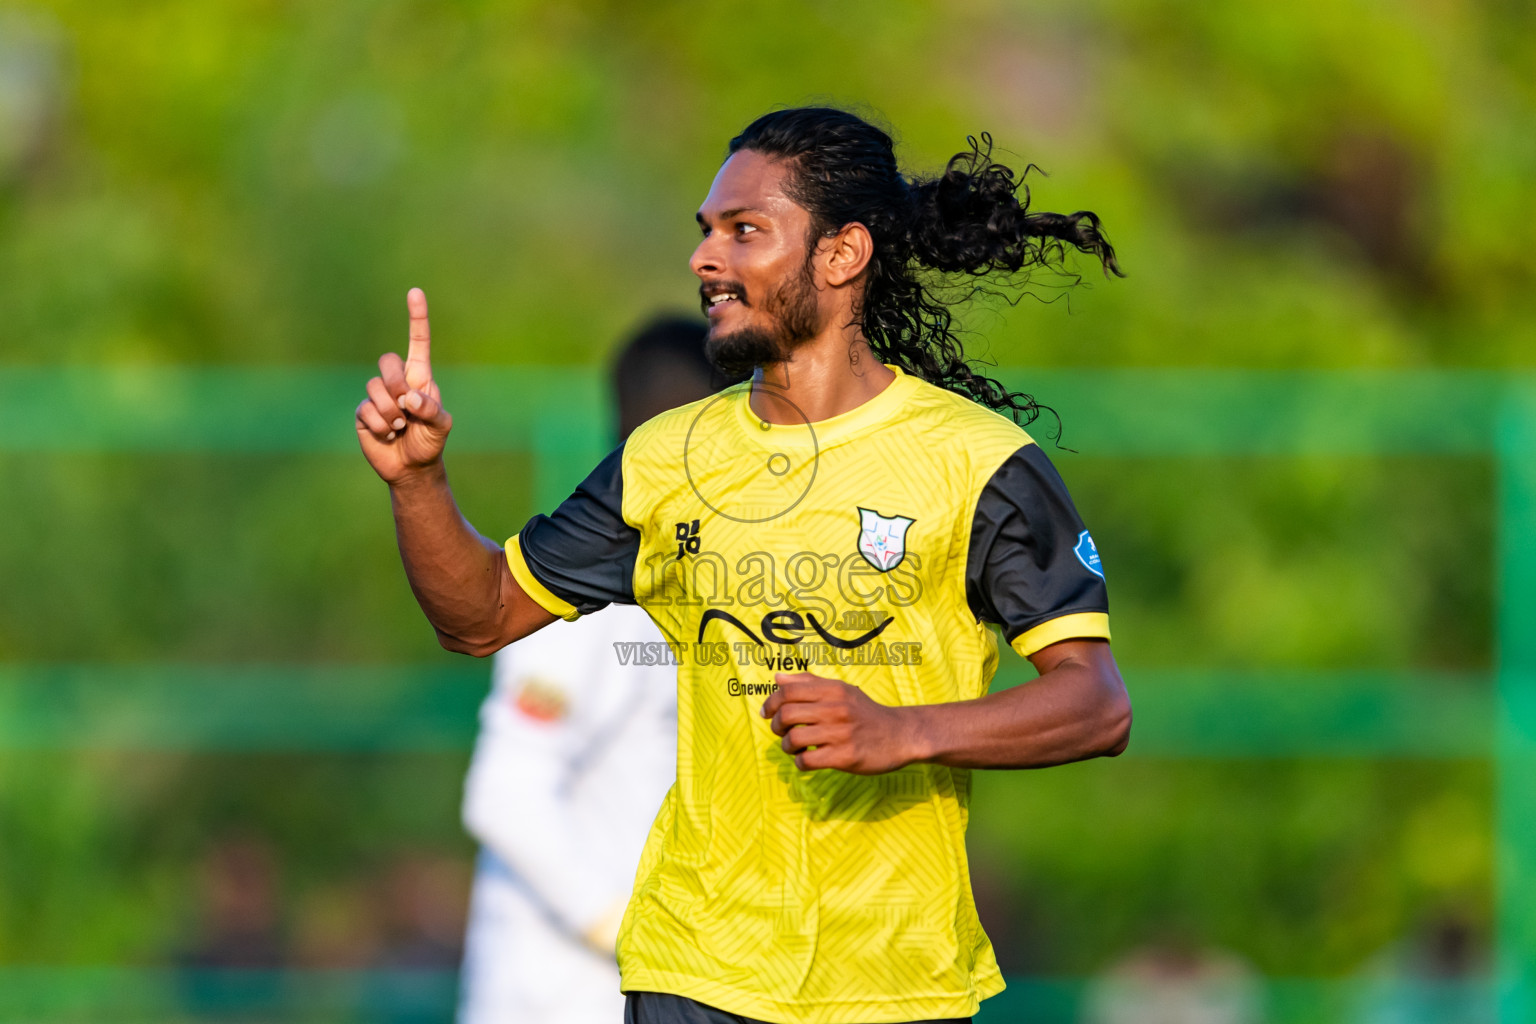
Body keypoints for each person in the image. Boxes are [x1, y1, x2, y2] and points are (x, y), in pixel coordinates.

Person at [355, 106, 1132, 1024]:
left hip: (897, 984)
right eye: (705, 233)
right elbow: (479, 615)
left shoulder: (980, 464)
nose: (704, 258)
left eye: (745, 230)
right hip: (694, 973)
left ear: (841, 255)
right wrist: (419, 484)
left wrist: (901, 732)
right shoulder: (666, 458)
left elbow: (1096, 703)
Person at [457, 317, 719, 1024]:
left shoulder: (696, 576)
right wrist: (636, 935)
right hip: (558, 1000)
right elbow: (503, 796)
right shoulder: (591, 596)